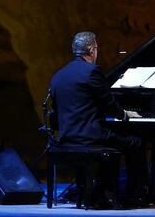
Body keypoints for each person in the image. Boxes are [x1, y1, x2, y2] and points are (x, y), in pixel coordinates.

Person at [48, 31, 145, 208]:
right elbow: (108, 103)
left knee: (117, 139)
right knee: (135, 142)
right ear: (92, 50)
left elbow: (55, 113)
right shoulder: (92, 71)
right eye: (97, 48)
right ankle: (135, 196)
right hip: (89, 137)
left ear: (74, 50)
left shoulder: (58, 75)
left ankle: (99, 191)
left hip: (66, 137)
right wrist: (124, 115)